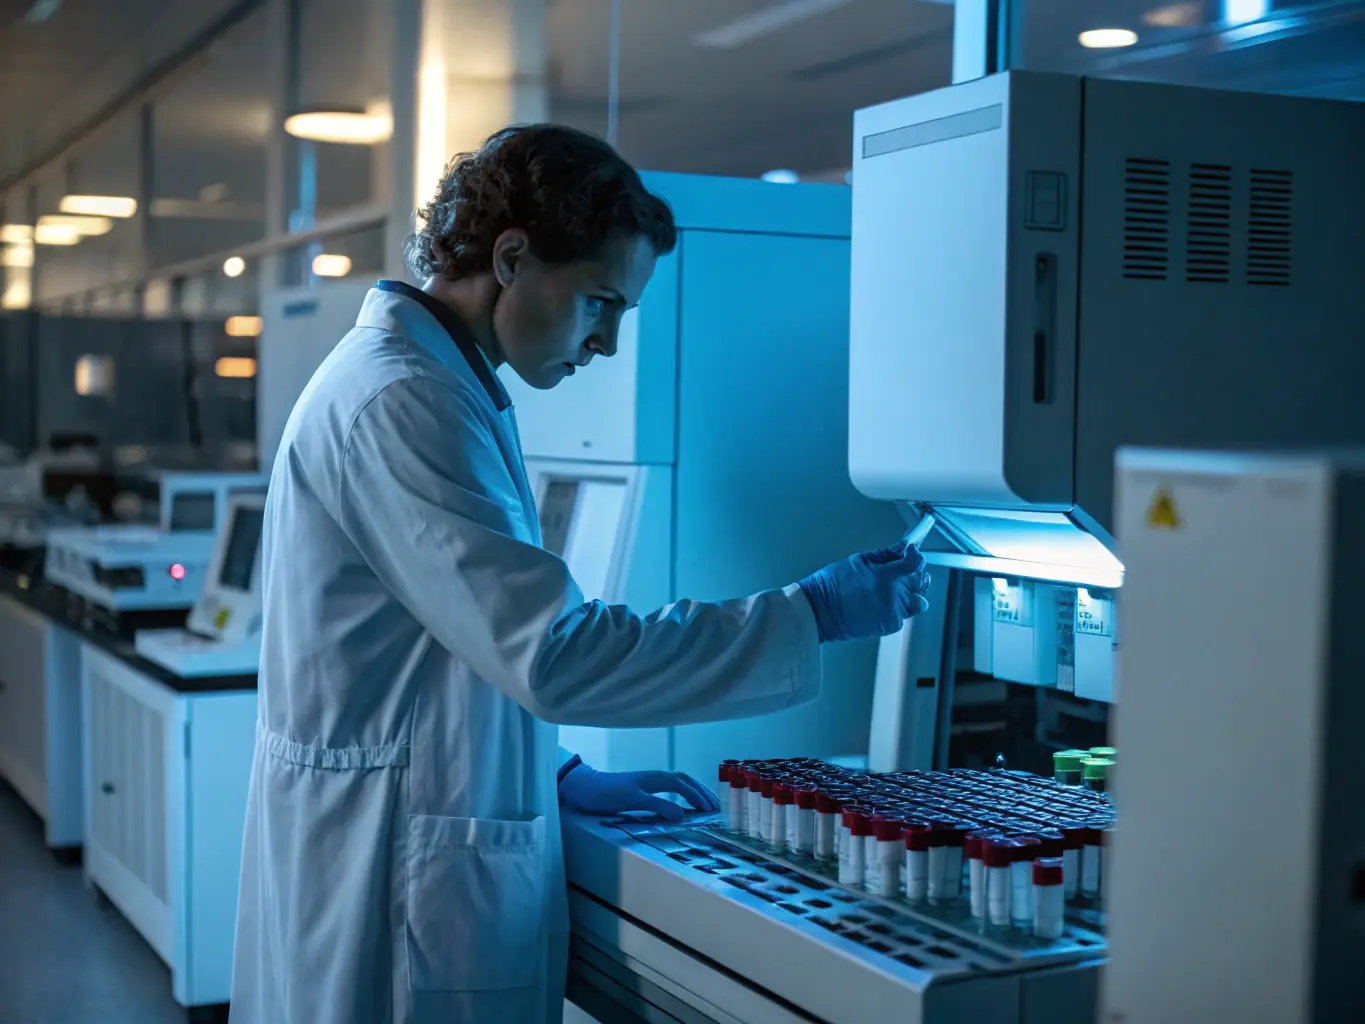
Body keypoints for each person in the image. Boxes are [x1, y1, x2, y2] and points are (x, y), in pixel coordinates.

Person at [229, 125, 930, 1024]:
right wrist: (810, 613)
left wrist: (553, 775)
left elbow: (442, 656)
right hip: (383, 869)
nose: (606, 343)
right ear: (510, 258)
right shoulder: (403, 398)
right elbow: (554, 653)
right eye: (600, 302)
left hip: (399, 830)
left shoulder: (440, 385)